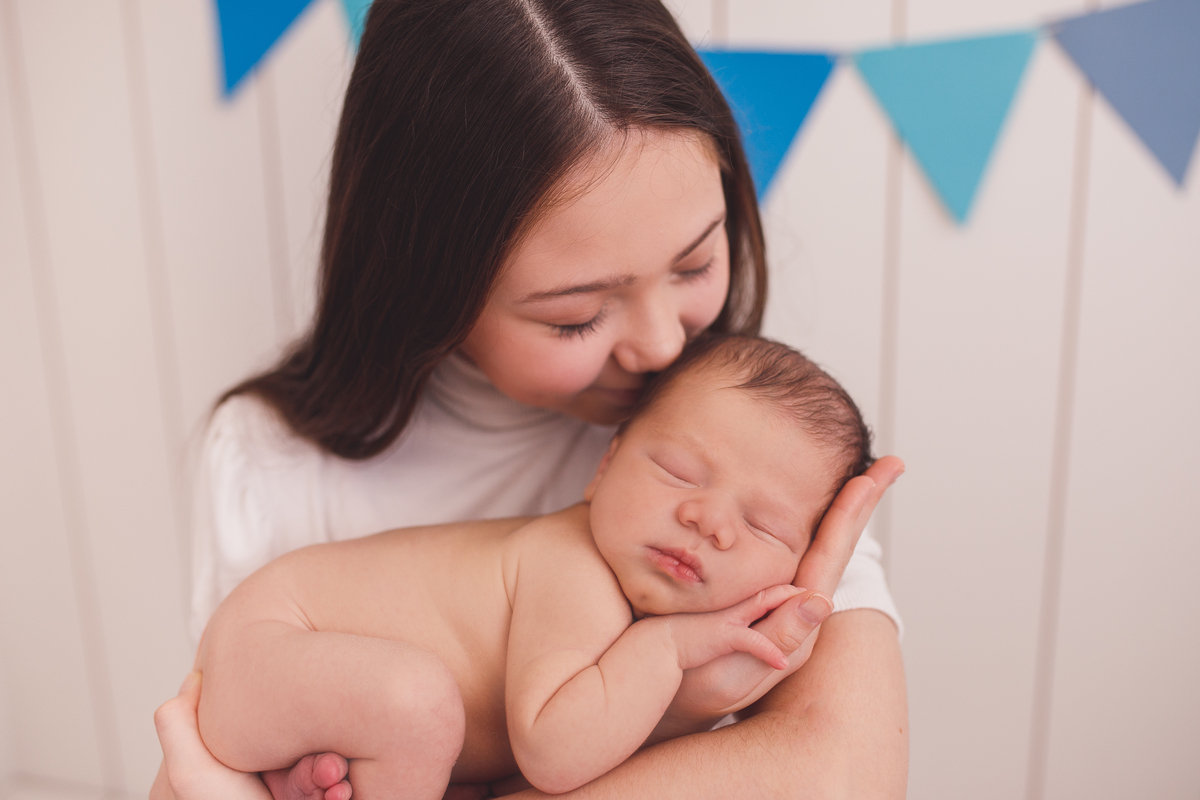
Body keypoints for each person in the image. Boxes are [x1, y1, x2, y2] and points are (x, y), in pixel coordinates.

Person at [153, 1, 908, 798]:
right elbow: (208, 763)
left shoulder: (754, 440)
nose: (662, 347)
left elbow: (847, 775)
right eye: (576, 315)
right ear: (434, 284)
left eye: (692, 265)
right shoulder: (272, 466)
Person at [193, 335, 873, 799]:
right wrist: (664, 650)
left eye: (762, 526)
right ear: (603, 467)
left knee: (430, 734)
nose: (708, 521)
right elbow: (554, 753)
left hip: (296, 688)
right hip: (274, 638)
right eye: (676, 472)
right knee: (419, 703)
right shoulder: (574, 568)